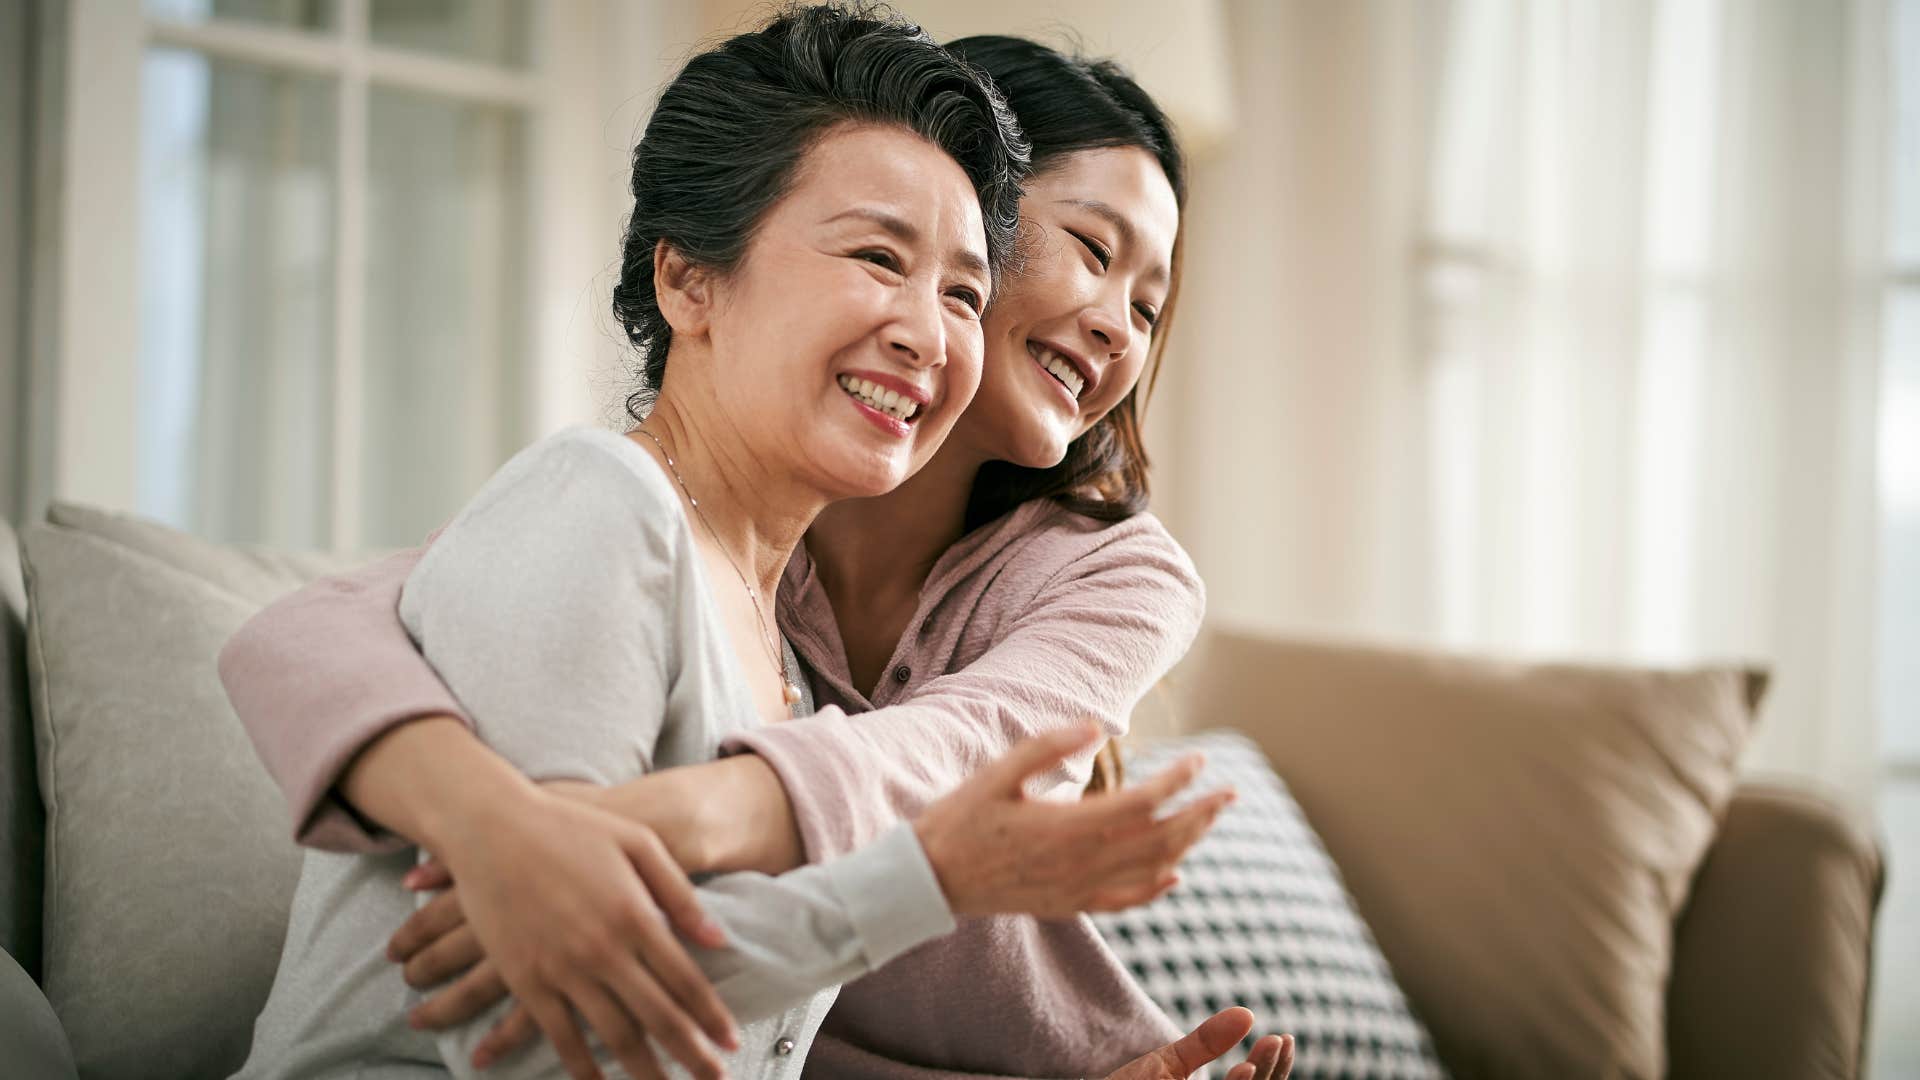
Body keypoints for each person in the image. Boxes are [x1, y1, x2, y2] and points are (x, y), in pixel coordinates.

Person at [222, 20, 1295, 1080]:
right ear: (690, 281)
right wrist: (498, 824)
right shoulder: (623, 510)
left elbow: (946, 769)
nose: (1116, 322)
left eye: (1150, 308)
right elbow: (322, 627)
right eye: (1092, 253)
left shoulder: (1105, 575)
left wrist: (628, 829)